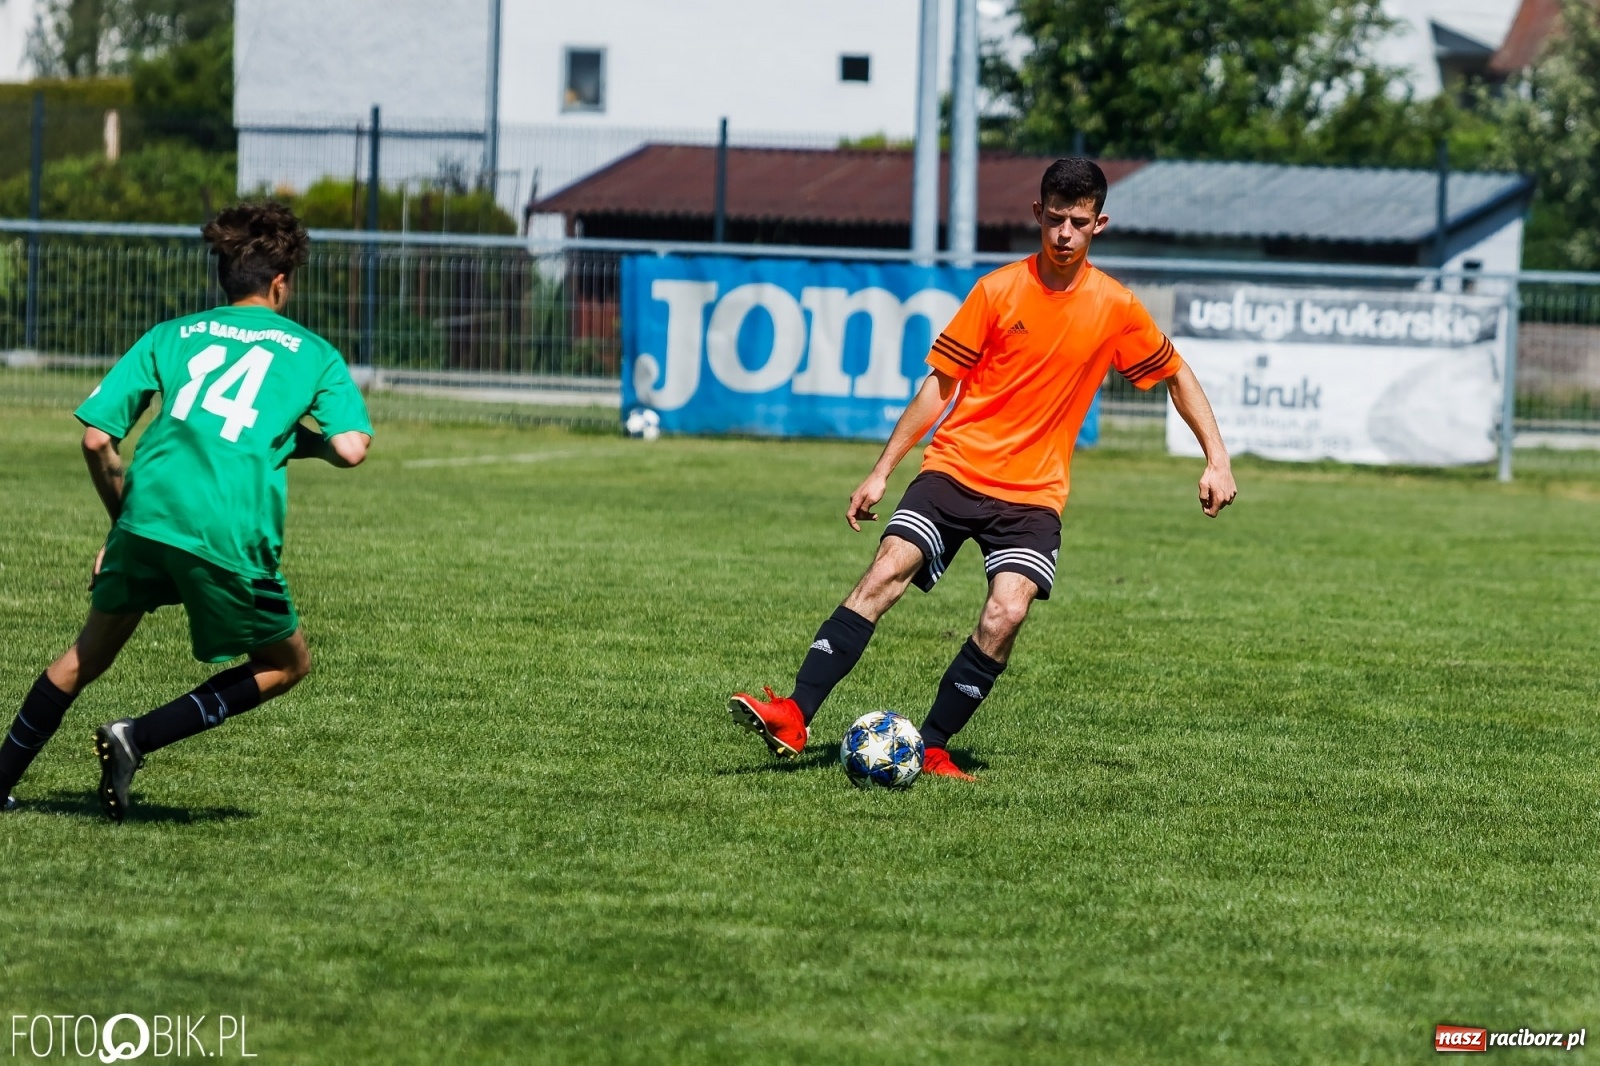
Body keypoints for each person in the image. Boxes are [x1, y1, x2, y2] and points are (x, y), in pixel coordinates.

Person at [728, 158, 1237, 779]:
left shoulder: (1116, 307)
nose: (1064, 234)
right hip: (955, 470)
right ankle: (795, 713)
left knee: (1007, 614)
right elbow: (939, 388)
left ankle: (935, 744)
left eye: (1078, 222)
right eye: (1055, 219)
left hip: (1033, 497)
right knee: (887, 568)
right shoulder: (998, 291)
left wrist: (1216, 457)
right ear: (1037, 215)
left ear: (1099, 224)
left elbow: (1176, 374)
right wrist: (882, 470)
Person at [0, 202, 373, 821]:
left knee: (83, 658)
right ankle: (136, 737)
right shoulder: (313, 353)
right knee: (286, 662)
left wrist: (120, 527)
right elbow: (350, 449)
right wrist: (293, 438)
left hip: (144, 516)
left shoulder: (171, 334)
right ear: (281, 283)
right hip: (228, 526)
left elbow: (97, 439)